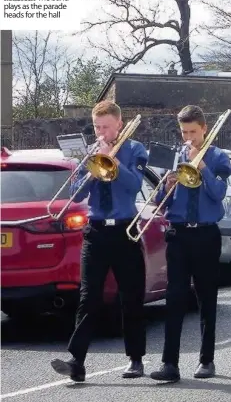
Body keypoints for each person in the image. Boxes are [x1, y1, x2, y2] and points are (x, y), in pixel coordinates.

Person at [51, 101, 148, 382]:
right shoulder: (90, 153)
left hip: (124, 229)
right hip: (95, 231)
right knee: (88, 296)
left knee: (130, 296)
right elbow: (76, 194)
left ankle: (135, 359)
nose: (101, 132)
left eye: (106, 126)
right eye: (97, 126)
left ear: (119, 124)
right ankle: (76, 361)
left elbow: (134, 186)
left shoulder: (135, 150)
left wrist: (113, 161)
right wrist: (92, 169)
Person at [150, 105, 231, 383]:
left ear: (204, 129)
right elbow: (161, 202)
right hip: (179, 235)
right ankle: (169, 364)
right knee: (174, 299)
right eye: (184, 132)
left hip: (206, 235)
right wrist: (166, 184)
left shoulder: (219, 158)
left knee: (206, 299)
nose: (188, 138)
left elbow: (219, 192)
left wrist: (203, 164)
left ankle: (206, 360)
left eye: (193, 132)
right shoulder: (175, 156)